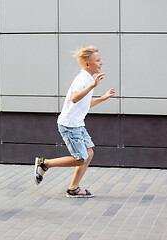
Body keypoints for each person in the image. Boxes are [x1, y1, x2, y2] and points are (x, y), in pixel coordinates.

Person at [34, 45, 115, 198]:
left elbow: (85, 103)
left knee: (89, 153)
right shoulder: (83, 79)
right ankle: (45, 164)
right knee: (81, 158)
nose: (101, 63)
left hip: (78, 124)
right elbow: (75, 97)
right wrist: (92, 86)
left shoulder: (88, 79)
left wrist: (103, 98)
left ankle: (73, 188)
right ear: (87, 64)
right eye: (97, 60)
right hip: (70, 125)